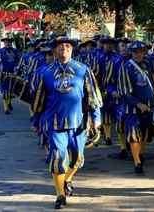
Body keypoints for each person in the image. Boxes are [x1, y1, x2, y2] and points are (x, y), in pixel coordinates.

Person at [31, 36, 102, 209]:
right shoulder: (45, 72)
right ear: (54, 50)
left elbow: (91, 95)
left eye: (67, 45)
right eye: (60, 45)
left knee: (77, 158)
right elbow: (39, 99)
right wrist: (36, 120)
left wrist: (96, 117)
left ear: (72, 49)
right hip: (55, 123)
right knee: (57, 158)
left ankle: (67, 179)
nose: (64, 48)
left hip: (78, 122)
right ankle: (60, 195)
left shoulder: (82, 69)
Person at [117, 41, 154, 174]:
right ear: (131, 52)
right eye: (136, 52)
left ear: (144, 52)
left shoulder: (150, 64)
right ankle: (137, 162)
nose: (138, 54)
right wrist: (137, 104)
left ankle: (140, 152)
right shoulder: (125, 67)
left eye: (141, 52)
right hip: (132, 108)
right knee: (133, 135)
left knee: (147, 134)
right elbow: (124, 91)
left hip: (149, 106)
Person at [103, 37, 132, 158]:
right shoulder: (113, 63)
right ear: (119, 47)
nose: (124, 48)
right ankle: (123, 148)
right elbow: (108, 81)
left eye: (126, 46)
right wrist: (113, 91)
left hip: (134, 98)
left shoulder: (136, 62)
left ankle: (132, 142)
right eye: (122, 46)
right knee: (120, 122)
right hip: (119, 98)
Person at [90, 35, 118, 145]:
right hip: (104, 89)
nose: (108, 45)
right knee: (106, 112)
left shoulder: (117, 56)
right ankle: (108, 136)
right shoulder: (98, 57)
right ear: (103, 44)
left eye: (110, 43)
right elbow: (94, 74)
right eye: (106, 43)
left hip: (117, 88)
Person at [0, 37, 22, 114]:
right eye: (6, 42)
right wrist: (0, 67)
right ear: (4, 43)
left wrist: (17, 70)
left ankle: (9, 102)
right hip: (4, 74)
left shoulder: (16, 51)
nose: (8, 43)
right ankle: (6, 107)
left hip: (14, 74)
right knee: (5, 90)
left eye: (9, 42)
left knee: (13, 90)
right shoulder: (0, 52)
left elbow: (20, 62)